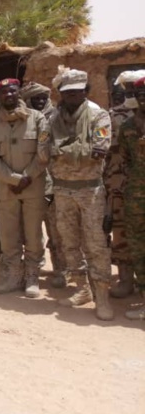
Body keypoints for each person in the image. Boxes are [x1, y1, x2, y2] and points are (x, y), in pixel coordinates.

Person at [48, 68, 114, 320]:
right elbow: (43, 152)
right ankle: (82, 289)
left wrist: (60, 150)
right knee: (69, 242)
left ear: (86, 91)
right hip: (62, 189)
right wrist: (75, 149)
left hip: (90, 190)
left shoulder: (99, 115)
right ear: (61, 94)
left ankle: (102, 296)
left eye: (77, 91)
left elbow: (98, 151)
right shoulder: (54, 118)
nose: (73, 96)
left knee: (96, 244)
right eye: (68, 93)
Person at [0, 79, 50, 298]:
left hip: (33, 186)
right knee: (8, 235)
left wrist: (27, 177)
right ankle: (14, 275)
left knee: (33, 234)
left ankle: (32, 276)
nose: (8, 95)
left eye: (12, 91)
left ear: (19, 93)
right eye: (3, 92)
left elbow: (44, 152)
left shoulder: (37, 118)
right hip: (6, 188)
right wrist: (13, 179)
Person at [22, 82, 67, 287]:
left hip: (52, 182)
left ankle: (60, 269)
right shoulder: (22, 119)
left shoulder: (57, 118)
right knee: (30, 231)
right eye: (36, 98)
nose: (40, 101)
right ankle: (32, 268)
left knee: (55, 229)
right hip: (27, 181)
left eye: (43, 97)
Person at [104, 70, 143, 297]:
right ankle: (126, 279)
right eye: (127, 88)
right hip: (118, 183)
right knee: (120, 231)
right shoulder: (113, 117)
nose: (130, 92)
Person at [119, 77, 145, 319]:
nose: (144, 98)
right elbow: (125, 161)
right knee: (139, 249)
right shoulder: (127, 127)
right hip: (136, 199)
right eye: (141, 94)